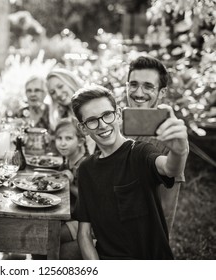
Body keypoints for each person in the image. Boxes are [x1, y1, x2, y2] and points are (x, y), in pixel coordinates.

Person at [72, 85, 189, 259]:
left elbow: (169, 168)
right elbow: (84, 233)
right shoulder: (86, 168)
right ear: (83, 128)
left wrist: (180, 151)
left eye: (107, 115)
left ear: (118, 114)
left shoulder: (140, 152)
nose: (102, 125)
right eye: (92, 120)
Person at [126, 55, 184, 233]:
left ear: (161, 92)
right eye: (133, 84)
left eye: (148, 86)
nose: (139, 93)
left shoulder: (168, 137)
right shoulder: (113, 125)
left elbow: (166, 207)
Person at [54, 117, 88, 259]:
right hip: (70, 216)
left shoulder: (86, 166)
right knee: (40, 233)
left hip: (87, 223)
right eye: (59, 138)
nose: (62, 143)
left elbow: (92, 201)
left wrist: (70, 183)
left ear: (80, 142)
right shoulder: (69, 161)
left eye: (68, 138)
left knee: (45, 236)